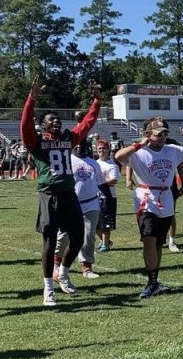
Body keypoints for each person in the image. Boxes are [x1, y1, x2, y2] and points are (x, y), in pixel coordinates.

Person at [21, 76, 101, 306]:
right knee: (48, 241)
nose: (56, 121)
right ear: (43, 124)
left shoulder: (67, 138)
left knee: (78, 236)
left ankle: (63, 272)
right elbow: (25, 124)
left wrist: (96, 101)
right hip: (49, 194)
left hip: (68, 193)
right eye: (51, 119)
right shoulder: (35, 141)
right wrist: (31, 99)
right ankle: (48, 288)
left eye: (57, 119)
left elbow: (87, 124)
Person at [114, 118, 183, 297]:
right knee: (149, 239)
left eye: (165, 134)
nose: (162, 138)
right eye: (158, 134)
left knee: (159, 243)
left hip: (166, 198)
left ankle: (155, 281)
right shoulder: (139, 152)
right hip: (147, 199)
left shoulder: (171, 150)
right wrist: (139, 144)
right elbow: (119, 157)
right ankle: (152, 282)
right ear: (148, 135)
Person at [55, 143, 104, 280]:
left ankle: (87, 266)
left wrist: (109, 202)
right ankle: (56, 263)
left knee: (88, 236)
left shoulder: (93, 163)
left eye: (82, 145)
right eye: (76, 145)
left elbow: (101, 183)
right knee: (63, 235)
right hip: (70, 203)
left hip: (91, 203)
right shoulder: (66, 161)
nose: (79, 147)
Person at [95, 140, 119, 251]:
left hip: (108, 197)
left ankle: (105, 244)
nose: (101, 151)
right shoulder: (94, 163)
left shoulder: (112, 164)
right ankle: (106, 241)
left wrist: (97, 182)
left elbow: (113, 180)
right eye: (99, 149)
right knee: (94, 223)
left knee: (105, 222)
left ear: (108, 150)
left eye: (104, 148)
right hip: (95, 197)